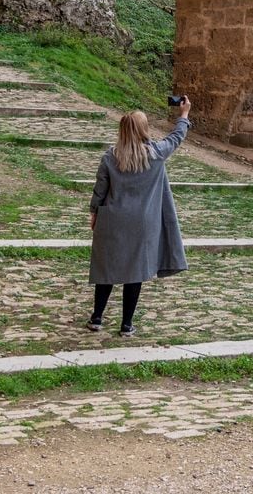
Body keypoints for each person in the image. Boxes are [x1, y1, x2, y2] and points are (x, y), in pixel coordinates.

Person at [87, 98, 191, 337]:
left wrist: (94, 213)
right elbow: (176, 137)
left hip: (112, 220)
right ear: (144, 130)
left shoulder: (110, 157)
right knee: (135, 272)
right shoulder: (156, 154)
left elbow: (100, 190)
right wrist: (183, 115)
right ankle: (126, 324)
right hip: (142, 223)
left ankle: (97, 317)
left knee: (107, 269)